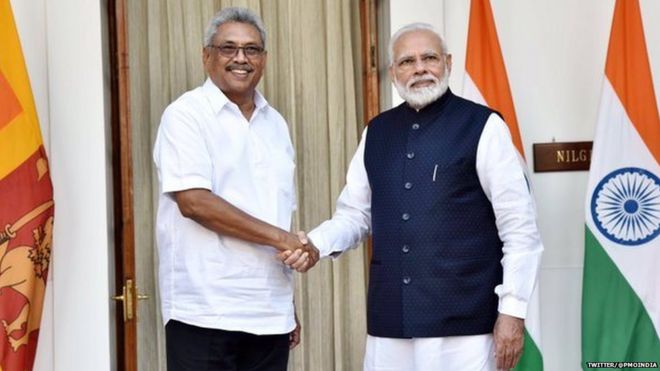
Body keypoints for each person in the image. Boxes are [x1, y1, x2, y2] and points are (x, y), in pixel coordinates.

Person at [282, 23, 543, 371]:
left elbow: (519, 228)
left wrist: (512, 311)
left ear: (447, 62)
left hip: (464, 326)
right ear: (393, 73)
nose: (419, 68)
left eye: (429, 58)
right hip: (391, 324)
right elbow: (355, 215)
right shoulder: (376, 132)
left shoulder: (483, 126)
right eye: (407, 61)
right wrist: (314, 243)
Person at [153, 7, 319, 371]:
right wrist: (283, 239)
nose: (241, 58)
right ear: (206, 56)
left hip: (268, 315)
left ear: (264, 59)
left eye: (252, 49)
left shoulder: (276, 124)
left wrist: (285, 302)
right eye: (228, 48)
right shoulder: (185, 115)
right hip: (205, 312)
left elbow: (275, 211)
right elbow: (195, 203)